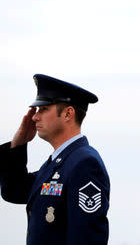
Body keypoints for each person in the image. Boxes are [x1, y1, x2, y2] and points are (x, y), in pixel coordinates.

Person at [0, 74, 110, 245]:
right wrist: (18, 144)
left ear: (68, 114)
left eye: (43, 109)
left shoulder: (85, 163)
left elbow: (85, 238)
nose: (35, 117)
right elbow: (13, 191)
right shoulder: (59, 162)